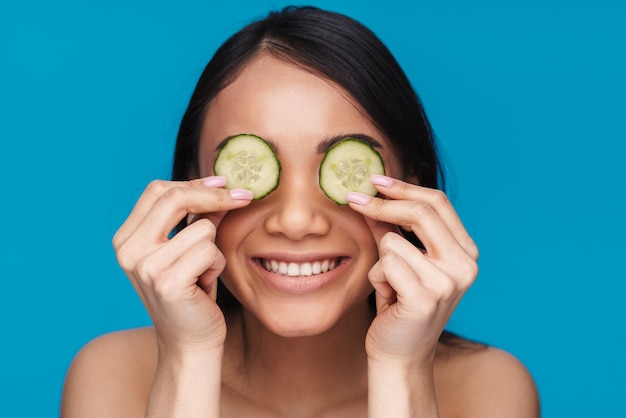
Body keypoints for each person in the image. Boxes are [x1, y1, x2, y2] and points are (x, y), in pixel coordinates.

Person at [61, 6, 539, 417]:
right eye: (248, 170)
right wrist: (188, 358)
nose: (295, 222)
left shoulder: (487, 389)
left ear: (409, 186)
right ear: (192, 187)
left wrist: (403, 370)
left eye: (346, 168)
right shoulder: (112, 376)